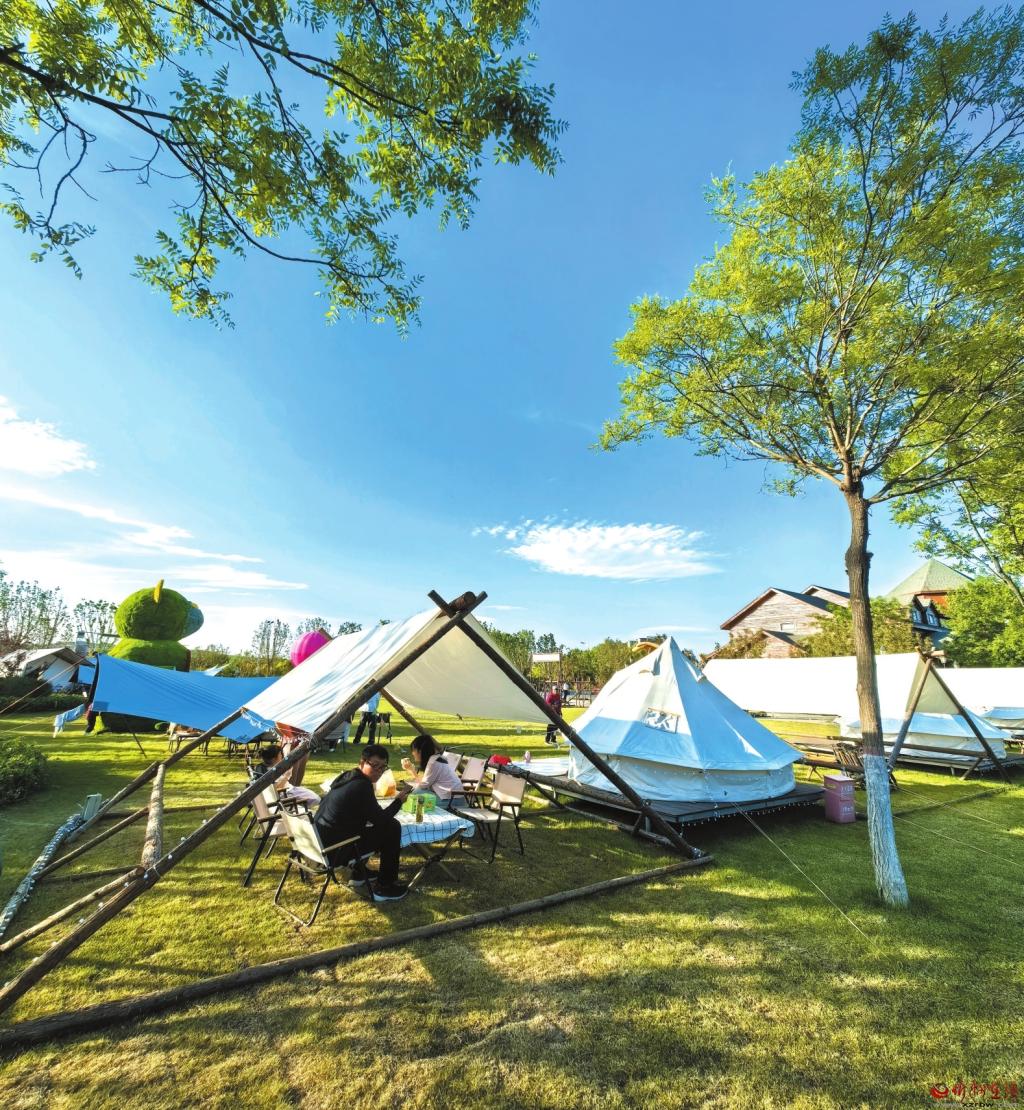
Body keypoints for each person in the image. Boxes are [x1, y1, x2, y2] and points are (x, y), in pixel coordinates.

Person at [314, 744, 412, 901]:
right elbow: (381, 820)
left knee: (374, 826)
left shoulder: (348, 776)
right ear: (362, 762)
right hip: (335, 852)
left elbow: (366, 814)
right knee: (392, 827)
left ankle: (359, 873)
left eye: (383, 767)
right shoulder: (361, 786)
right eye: (374, 765)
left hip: (318, 845)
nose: (379, 771)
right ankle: (384, 886)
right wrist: (398, 801)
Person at [400, 734, 464, 809]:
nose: (412, 753)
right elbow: (424, 784)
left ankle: (399, 806)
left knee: (414, 795)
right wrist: (411, 770)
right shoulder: (436, 759)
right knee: (414, 793)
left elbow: (423, 786)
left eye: (413, 750)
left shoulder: (433, 763)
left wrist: (412, 770)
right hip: (452, 797)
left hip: (451, 800)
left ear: (420, 751)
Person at [260, 745, 320, 809]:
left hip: (289, 789)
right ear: (274, 758)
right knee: (316, 799)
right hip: (287, 792)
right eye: (280, 754)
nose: (282, 756)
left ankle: (299, 807)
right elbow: (276, 787)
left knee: (315, 798)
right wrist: (287, 776)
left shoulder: (265, 767)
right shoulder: (271, 772)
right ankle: (298, 808)